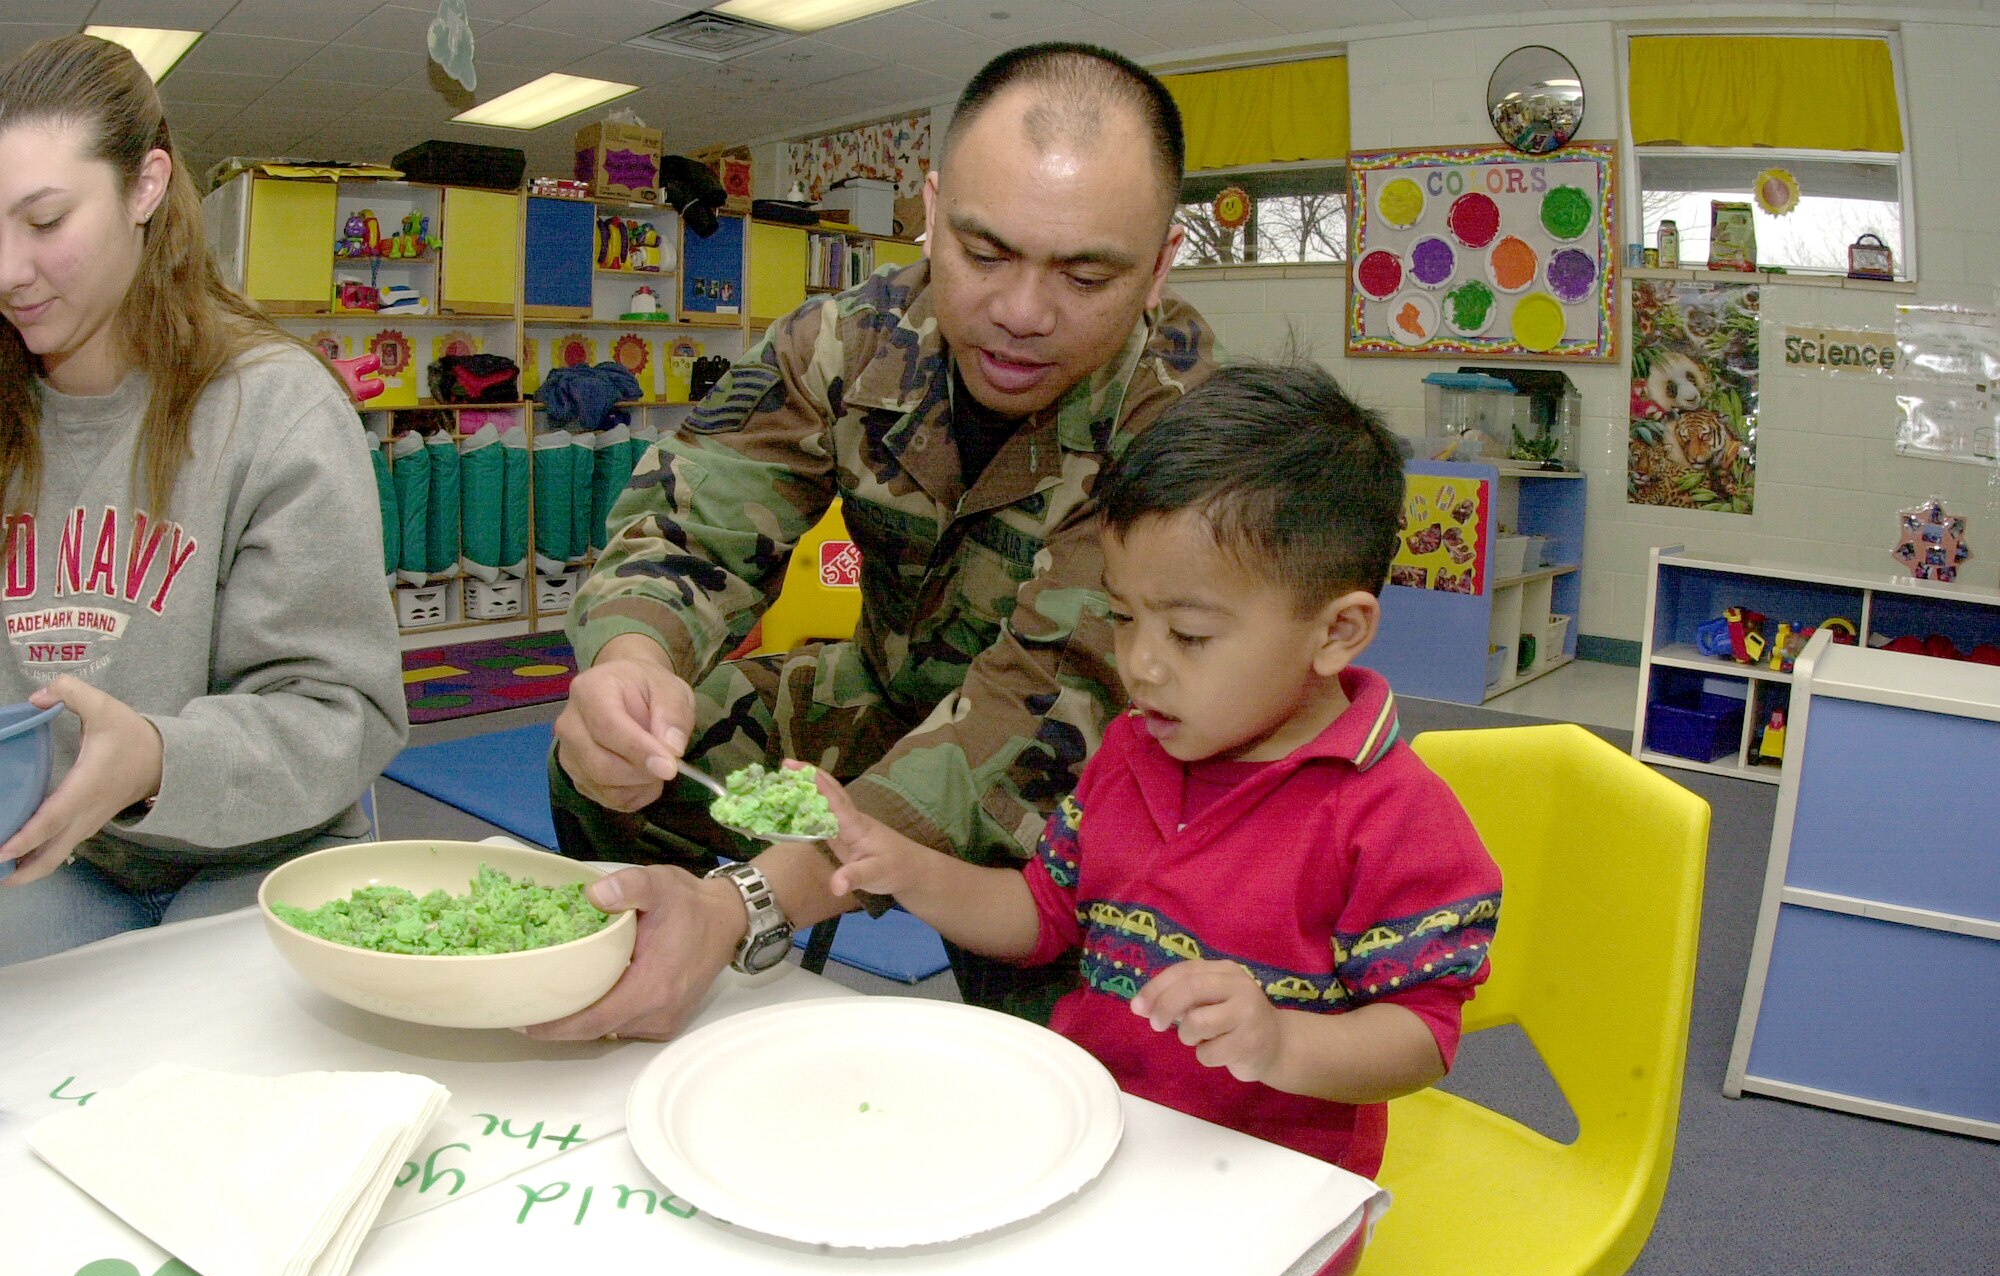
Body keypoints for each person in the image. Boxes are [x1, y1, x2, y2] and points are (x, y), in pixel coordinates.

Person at [539, 42, 1216, 1040]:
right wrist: (634, 659)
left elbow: (1034, 712)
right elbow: (695, 511)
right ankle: (665, 1000)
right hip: (883, 701)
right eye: (984, 252)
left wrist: (748, 901)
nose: (1021, 313)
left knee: (1078, 1063)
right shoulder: (845, 338)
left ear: (1157, 267)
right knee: (603, 771)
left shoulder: (1190, 428)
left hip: (1090, 777)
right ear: (932, 214)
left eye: (1084, 275)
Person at [806, 362, 1502, 1176]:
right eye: (1124, 617)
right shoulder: (1135, 749)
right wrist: (910, 868)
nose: (1140, 665)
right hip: (1096, 1134)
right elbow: (1043, 916)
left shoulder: (1393, 818)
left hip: (1265, 1186)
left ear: (1337, 631)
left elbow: (1421, 1037)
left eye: (1191, 636)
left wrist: (1280, 1041)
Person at [0, 35, 408, 965]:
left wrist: (154, 758)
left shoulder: (276, 406)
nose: (7, 270)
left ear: (146, 187)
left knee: (195, 1070)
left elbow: (341, 711)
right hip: (67, 856)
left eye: (45, 220)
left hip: (266, 853)